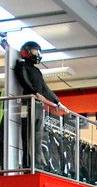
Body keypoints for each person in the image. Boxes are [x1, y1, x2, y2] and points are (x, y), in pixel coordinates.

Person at [13, 41, 64, 170]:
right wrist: (34, 93)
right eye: (35, 51)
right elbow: (24, 81)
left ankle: (37, 162)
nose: (37, 54)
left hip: (39, 106)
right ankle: (28, 163)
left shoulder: (37, 71)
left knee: (38, 136)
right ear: (27, 51)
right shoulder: (21, 66)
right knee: (27, 134)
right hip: (28, 104)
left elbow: (45, 89)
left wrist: (58, 102)